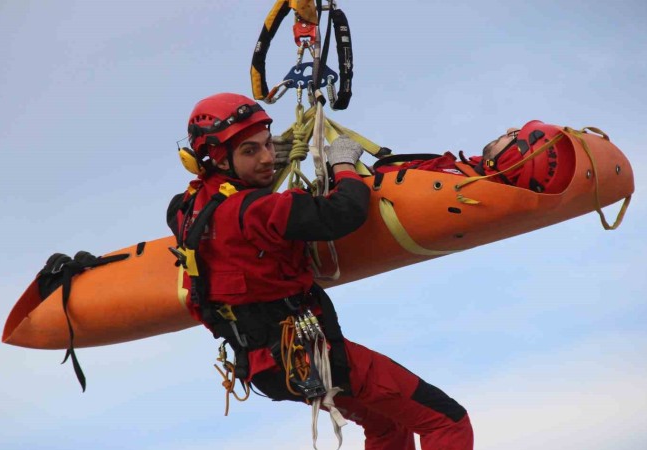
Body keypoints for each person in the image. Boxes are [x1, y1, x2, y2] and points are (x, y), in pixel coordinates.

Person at [166, 92, 473, 450]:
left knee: (389, 425)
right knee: (447, 420)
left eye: (267, 145)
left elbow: (227, 224)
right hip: (311, 356)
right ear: (217, 160)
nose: (267, 157)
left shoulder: (183, 210)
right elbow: (343, 213)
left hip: (266, 368)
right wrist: (343, 166)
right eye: (251, 152)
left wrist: (257, 172)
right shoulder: (259, 210)